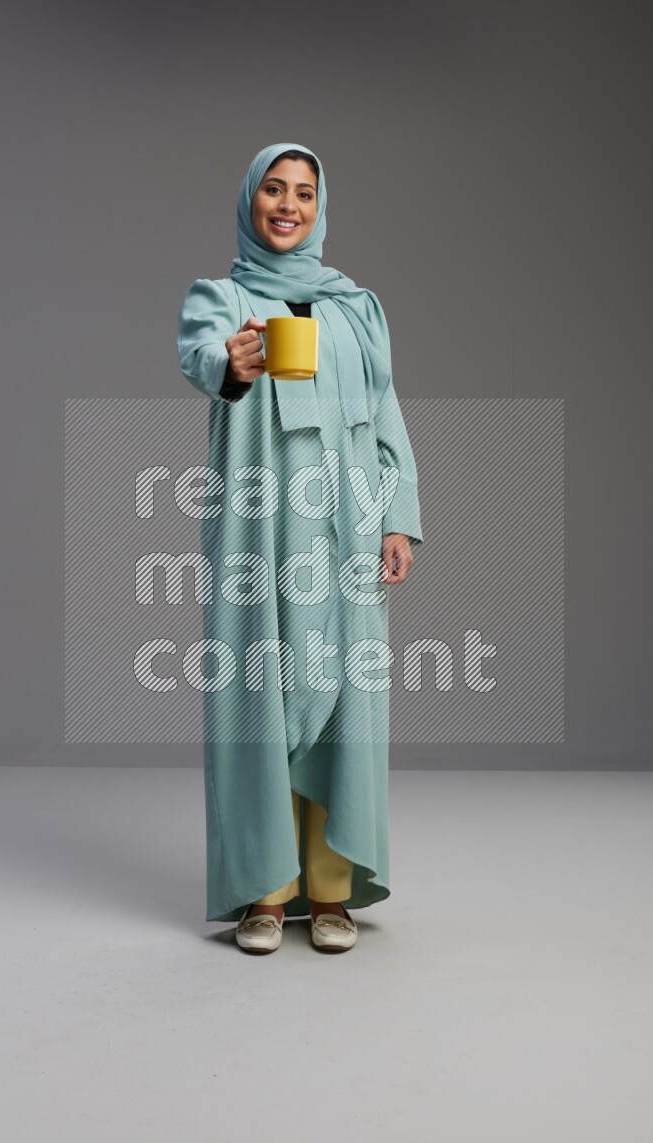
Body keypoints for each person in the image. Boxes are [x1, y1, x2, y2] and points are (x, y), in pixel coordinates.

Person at [176, 142, 423, 954]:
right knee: (260, 698)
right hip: (260, 530)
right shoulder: (223, 297)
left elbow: (387, 415)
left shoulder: (359, 309)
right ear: (250, 201)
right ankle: (264, 893)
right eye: (274, 190)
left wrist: (399, 516)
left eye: (304, 193)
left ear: (321, 208)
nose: (288, 204)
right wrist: (235, 361)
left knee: (345, 704)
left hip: (346, 531)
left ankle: (330, 890)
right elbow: (204, 358)